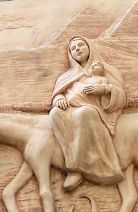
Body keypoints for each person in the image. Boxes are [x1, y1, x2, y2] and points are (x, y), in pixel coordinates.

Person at [49, 35, 126, 191]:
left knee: (85, 113)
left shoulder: (107, 71)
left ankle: (79, 168)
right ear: (70, 55)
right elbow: (59, 92)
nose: (77, 49)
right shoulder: (66, 76)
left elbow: (121, 96)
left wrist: (104, 89)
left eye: (80, 45)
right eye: (73, 48)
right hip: (70, 111)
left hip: (95, 111)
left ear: (90, 47)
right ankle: (72, 163)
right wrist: (58, 99)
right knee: (54, 114)